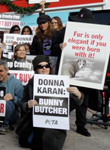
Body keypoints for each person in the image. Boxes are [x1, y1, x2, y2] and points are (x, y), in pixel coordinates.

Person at [16, 55, 84, 150]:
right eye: (40, 66)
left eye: (46, 66)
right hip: (35, 120)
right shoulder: (30, 84)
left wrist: (78, 95)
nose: (44, 68)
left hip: (54, 124)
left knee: (47, 144)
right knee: (26, 141)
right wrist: (27, 104)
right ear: (35, 69)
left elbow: (71, 105)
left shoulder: (60, 83)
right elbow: (23, 102)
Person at [52, 8, 97, 137]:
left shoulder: (96, 33)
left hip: (85, 73)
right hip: (67, 72)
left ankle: (81, 126)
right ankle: (58, 122)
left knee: (84, 99)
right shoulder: (65, 31)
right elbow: (54, 47)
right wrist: (60, 46)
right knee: (64, 98)